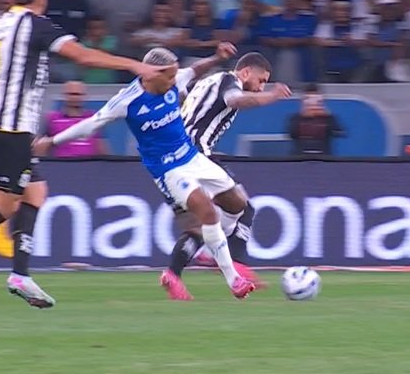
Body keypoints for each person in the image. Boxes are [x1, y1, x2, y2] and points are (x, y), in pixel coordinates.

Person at [0, 0, 172, 308]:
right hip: (9, 130)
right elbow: (82, 56)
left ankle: (20, 275)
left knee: (36, 191)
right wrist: (134, 65)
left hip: (1, 126)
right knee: (2, 207)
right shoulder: (36, 25)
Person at [35, 46, 258, 301]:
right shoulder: (127, 100)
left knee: (239, 204)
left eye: (176, 75)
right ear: (151, 74)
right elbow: (90, 124)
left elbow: (194, 70)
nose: (176, 81)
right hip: (168, 170)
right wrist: (52, 142)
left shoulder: (174, 79)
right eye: (170, 77)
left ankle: (209, 250)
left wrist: (217, 58)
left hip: (193, 157)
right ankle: (234, 280)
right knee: (207, 213)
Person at [159, 52, 292, 301]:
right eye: (261, 80)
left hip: (172, 158)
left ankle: (173, 274)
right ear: (244, 72)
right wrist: (270, 96)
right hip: (195, 156)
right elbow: (235, 100)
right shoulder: (228, 82)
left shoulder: (207, 81)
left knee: (200, 225)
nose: (261, 86)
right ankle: (236, 264)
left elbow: (183, 100)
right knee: (243, 208)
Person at [43, 81, 108, 158]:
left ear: (84, 96)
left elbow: (101, 147)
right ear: (64, 95)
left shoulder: (94, 118)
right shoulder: (52, 118)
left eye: (78, 94)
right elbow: (41, 146)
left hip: (88, 166)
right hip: (61, 165)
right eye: (71, 94)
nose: (75, 98)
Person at [288, 84, 344, 156]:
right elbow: (291, 134)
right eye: (308, 99)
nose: (312, 103)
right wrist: (304, 117)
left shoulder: (329, 118)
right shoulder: (295, 118)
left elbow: (340, 132)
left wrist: (327, 117)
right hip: (300, 157)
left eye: (315, 99)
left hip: (324, 158)